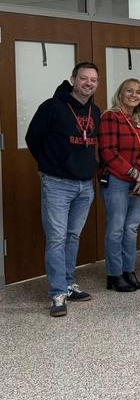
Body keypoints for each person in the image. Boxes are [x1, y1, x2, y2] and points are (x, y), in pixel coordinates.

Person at [26, 62, 101, 317]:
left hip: (84, 185)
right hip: (57, 183)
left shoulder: (95, 111)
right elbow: (32, 138)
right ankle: (57, 293)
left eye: (93, 80)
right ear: (73, 79)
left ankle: (69, 284)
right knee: (57, 239)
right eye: (84, 78)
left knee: (72, 237)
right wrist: (48, 164)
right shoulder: (51, 107)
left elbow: (90, 144)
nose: (88, 83)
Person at [99, 78, 140, 293]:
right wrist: (136, 175)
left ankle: (128, 271)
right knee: (116, 229)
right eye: (129, 91)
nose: (133, 95)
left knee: (131, 229)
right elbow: (108, 152)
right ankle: (114, 275)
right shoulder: (110, 117)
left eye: (138, 92)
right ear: (120, 93)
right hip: (116, 180)